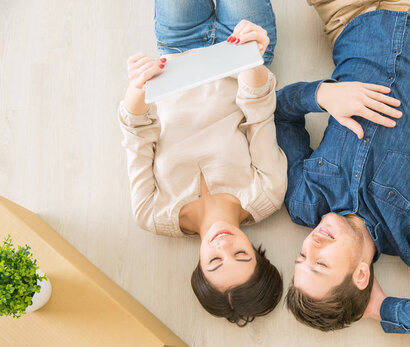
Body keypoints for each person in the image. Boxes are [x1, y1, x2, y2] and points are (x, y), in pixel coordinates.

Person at [275, 0, 410, 341]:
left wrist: (323, 94)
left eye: (302, 256)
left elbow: (279, 112)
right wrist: (381, 308)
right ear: (361, 276)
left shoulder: (304, 199)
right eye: (321, 264)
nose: (311, 245)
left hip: (348, 17)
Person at [118, 0, 286, 327]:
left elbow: (136, 136)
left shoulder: (152, 215)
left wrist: (138, 86)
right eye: (240, 255)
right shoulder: (268, 194)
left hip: (175, 53)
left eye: (214, 262)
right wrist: (252, 56)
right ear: (257, 253)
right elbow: (260, 113)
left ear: (199, 267)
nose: (223, 245)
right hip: (237, 57)